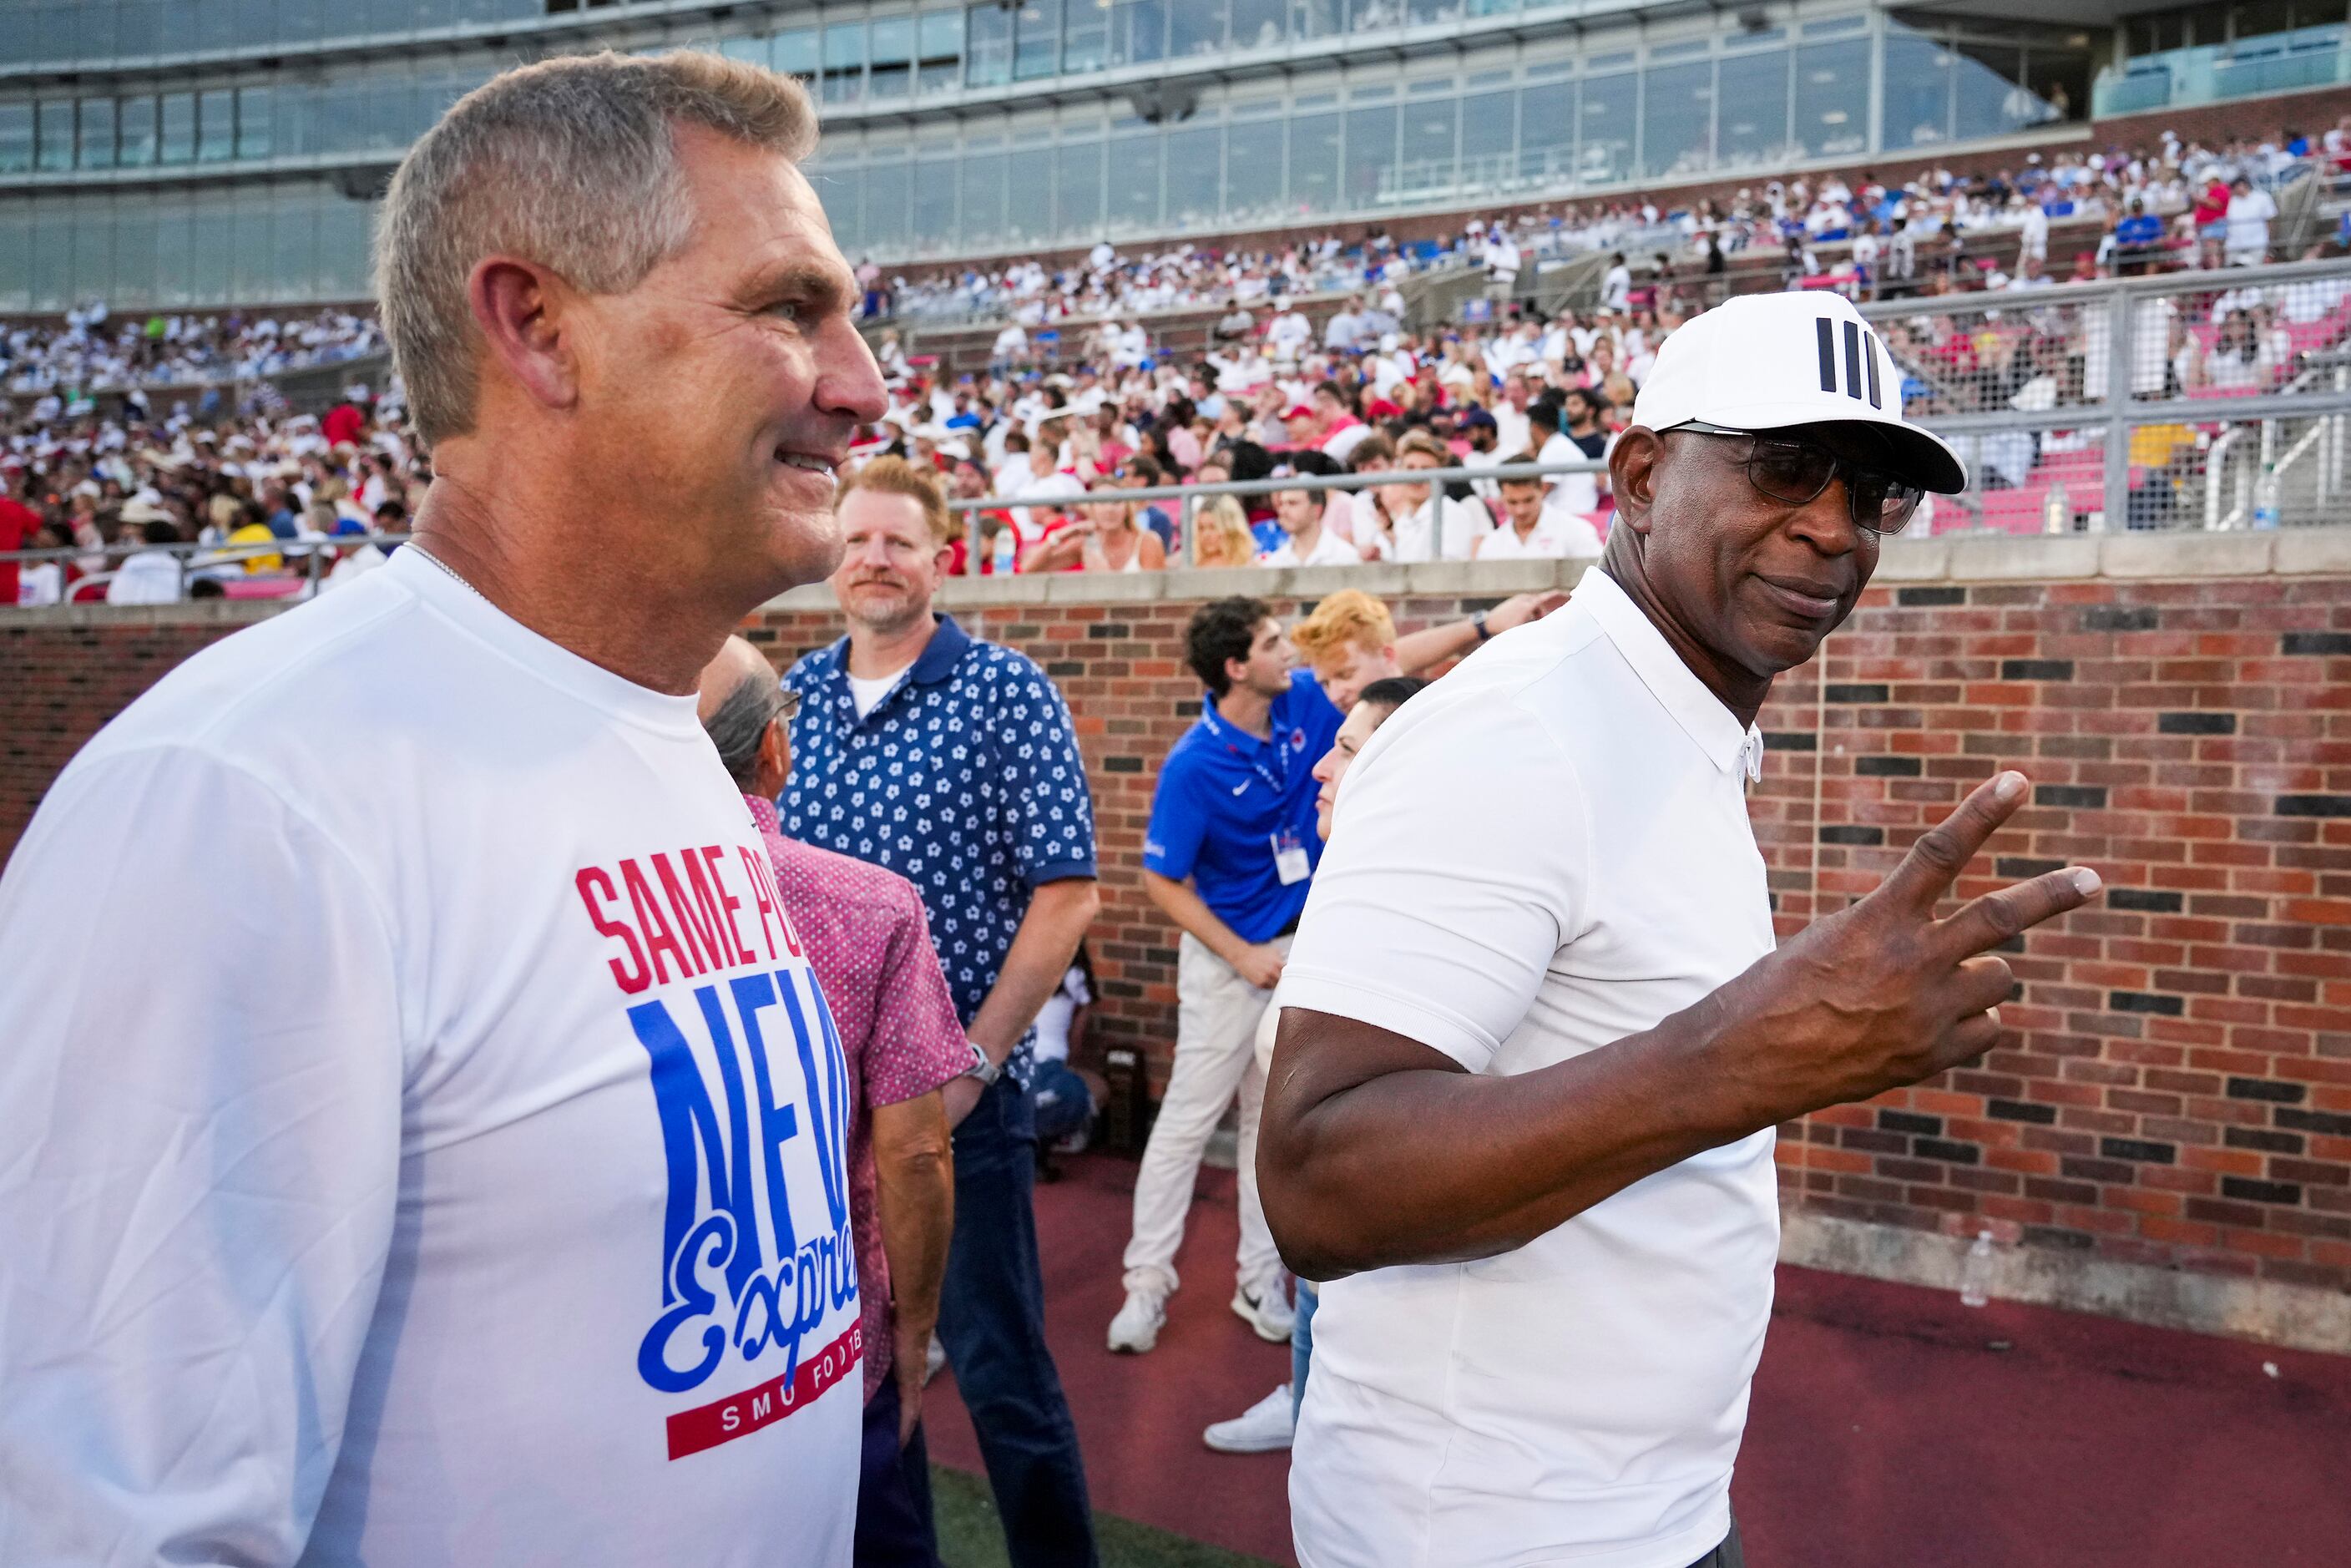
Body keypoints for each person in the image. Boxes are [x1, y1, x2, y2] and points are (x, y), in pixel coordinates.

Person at [0, 51, 889, 1565]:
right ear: (538, 327)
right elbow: (110, 1522)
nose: (864, 389)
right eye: (788, 307)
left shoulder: (666, 733)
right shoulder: (243, 803)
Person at [1260, 291, 2099, 1568]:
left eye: (1869, 491)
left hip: (1637, 1512)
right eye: (1782, 467)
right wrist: (1745, 1057)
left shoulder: (1669, 716)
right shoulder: (1520, 729)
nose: (1831, 527)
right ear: (1642, 476)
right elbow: (1318, 1179)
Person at [781, 454, 1102, 1568]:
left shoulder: (1005, 689)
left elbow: (1067, 892)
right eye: (857, 537)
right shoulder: (796, 694)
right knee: (857, 1374)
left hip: (960, 1103)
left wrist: (976, 1061)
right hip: (823, 1114)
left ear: (940, 558)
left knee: (1001, 1372)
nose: (874, 557)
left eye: (898, 541)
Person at [698, 635, 973, 1568]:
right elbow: (915, 1152)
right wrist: (914, 1326)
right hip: (819, 1327)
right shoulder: (867, 905)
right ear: (774, 748)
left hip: (662, 1344)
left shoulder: (557, 895)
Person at [1201, 674, 1425, 1457]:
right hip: (1321, 1233)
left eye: (1347, 751)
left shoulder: (1407, 902)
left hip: (1364, 1229)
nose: (1321, 770)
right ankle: (1300, 1404)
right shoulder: (1349, 879)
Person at [1112, 597, 1331, 1355]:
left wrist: (1481, 626)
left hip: (1298, 950)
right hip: (1229, 963)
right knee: (1187, 1125)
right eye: (1274, 643)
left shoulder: (1301, 698)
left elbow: (1380, 666)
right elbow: (1160, 881)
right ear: (1238, 668)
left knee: (1265, 1129)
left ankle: (1256, 1280)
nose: (1290, 651)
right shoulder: (1192, 764)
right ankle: (1145, 1286)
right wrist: (1240, 955)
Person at [1286, 585, 1565, 711]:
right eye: (1324, 682)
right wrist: (1483, 624)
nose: (1334, 695)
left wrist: (1486, 625)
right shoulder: (1308, 696)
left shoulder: (1424, 709)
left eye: (1345, 675)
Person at [1476, 460, 1603, 559]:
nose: (1521, 510)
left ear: (1542, 490)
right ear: (1501, 498)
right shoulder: (1491, 544)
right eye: (1512, 502)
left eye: (1528, 500)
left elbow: (1600, 580)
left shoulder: (1576, 530)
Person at [1260, 479, 1359, 567]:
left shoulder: (1346, 557)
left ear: (1317, 510)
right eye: (1281, 504)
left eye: (1292, 503)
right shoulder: (1275, 562)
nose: (1283, 511)